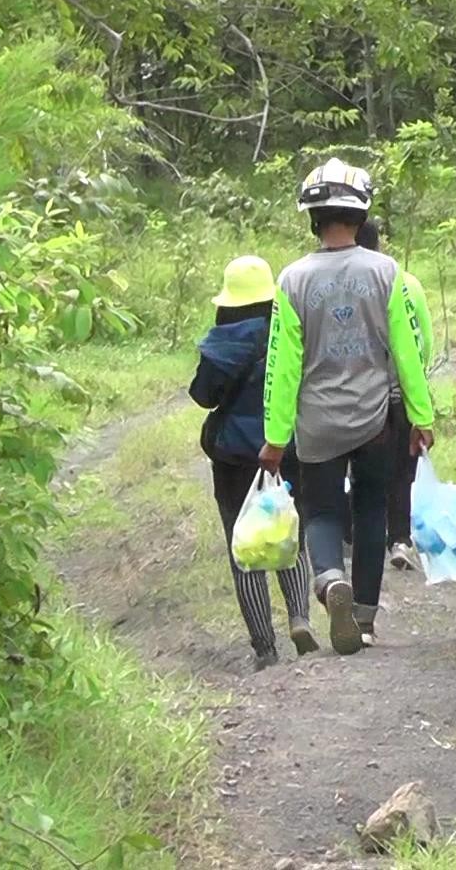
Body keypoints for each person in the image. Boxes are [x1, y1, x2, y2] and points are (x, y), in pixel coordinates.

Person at [260, 158, 435, 656]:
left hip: (316, 422)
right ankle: (363, 619)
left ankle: (331, 576)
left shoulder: (292, 280)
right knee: (372, 507)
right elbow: (406, 353)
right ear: (360, 217)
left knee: (320, 508)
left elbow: (283, 364)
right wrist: (421, 417)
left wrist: (275, 437)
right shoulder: (386, 272)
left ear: (313, 219)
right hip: (375, 418)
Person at [188, 255, 318, 671]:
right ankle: (300, 617)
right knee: (288, 536)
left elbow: (202, 396)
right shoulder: (287, 334)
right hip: (285, 450)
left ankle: (265, 648)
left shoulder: (220, 345)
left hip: (232, 459)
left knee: (243, 549)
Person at [356, 216, 433, 572]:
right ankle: (400, 539)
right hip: (403, 393)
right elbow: (425, 341)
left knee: (363, 468)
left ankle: (356, 533)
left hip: (362, 393)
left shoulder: (352, 284)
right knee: (403, 470)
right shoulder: (408, 282)